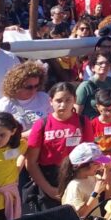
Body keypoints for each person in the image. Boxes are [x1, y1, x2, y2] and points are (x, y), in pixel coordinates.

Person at [25, 82, 84, 211]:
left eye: (68, 100)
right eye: (58, 100)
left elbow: (89, 155)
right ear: (51, 101)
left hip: (76, 178)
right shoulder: (41, 124)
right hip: (49, 179)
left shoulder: (83, 122)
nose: (63, 104)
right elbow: (30, 162)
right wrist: (49, 189)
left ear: (74, 100)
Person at [0, 61, 51, 133]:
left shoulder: (44, 98)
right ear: (17, 85)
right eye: (29, 87)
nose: (33, 90)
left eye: (36, 86)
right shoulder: (5, 104)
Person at [58, 141, 111, 219]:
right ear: (82, 165)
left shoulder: (91, 177)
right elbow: (80, 214)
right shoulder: (74, 186)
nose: (100, 166)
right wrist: (95, 193)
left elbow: (103, 184)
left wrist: (107, 170)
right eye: (96, 163)